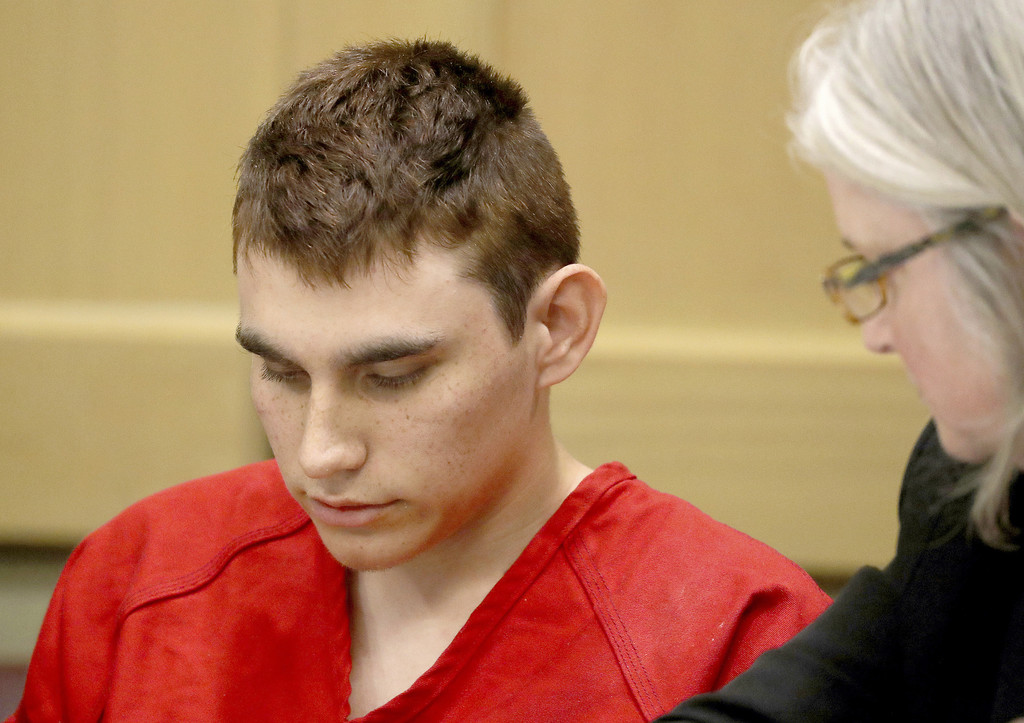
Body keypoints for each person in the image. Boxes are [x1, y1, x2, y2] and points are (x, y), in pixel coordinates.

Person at [8, 39, 829, 722]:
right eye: (281, 370)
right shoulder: (138, 584)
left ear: (557, 327)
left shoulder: (738, 643)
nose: (320, 454)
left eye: (392, 376)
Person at [655, 0, 1024, 721]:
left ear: (1011, 250)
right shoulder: (968, 476)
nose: (875, 334)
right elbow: (825, 691)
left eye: (883, 268)